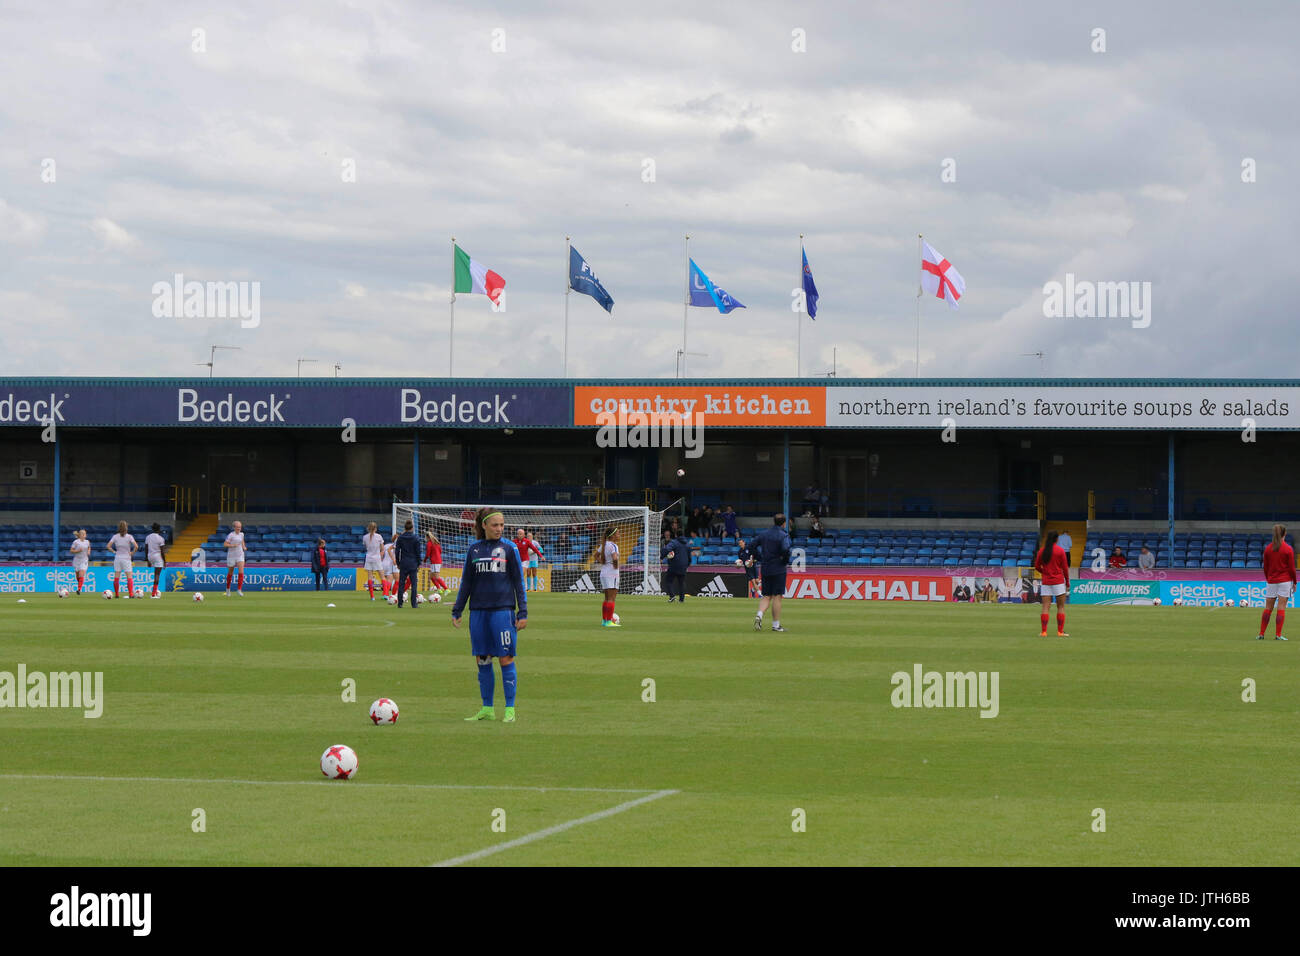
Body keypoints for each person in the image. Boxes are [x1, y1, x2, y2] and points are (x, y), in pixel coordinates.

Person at [451, 507, 527, 722]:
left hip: (503, 612)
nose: (499, 529)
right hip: (478, 613)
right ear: (483, 525)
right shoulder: (474, 550)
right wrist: (458, 609)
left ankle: (510, 710)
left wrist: (523, 612)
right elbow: (466, 581)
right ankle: (487, 708)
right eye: (495, 525)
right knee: (483, 659)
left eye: (502, 525)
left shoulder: (510, 548)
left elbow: (519, 583)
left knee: (505, 658)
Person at [753, 513, 792, 632]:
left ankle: (759, 614)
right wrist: (784, 561)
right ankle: (776, 625)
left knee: (766, 595)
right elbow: (786, 549)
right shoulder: (783, 535)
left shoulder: (764, 534)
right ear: (784, 523)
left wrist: (760, 558)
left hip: (765, 568)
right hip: (778, 568)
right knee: (777, 596)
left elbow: (751, 546)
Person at [1259, 523, 1295, 640]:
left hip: (1271, 581)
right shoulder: (1288, 549)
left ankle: (1261, 634)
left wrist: (1268, 578)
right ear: (1285, 534)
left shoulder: (1268, 548)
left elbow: (1265, 567)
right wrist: (1294, 581)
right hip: (1284, 581)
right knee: (1281, 607)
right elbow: (1291, 568)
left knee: (1268, 608)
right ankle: (1278, 635)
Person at [1034, 530, 1071, 637]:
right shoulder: (1060, 551)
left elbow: (1037, 566)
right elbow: (1065, 568)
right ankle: (1060, 632)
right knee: (1061, 607)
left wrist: (1044, 572)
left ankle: (1044, 632)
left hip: (1046, 582)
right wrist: (1067, 581)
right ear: (1056, 539)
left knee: (1045, 606)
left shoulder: (1041, 551)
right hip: (1058, 581)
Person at [595, 525, 621, 627]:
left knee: (606, 598)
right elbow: (615, 558)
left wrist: (603, 562)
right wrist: (615, 565)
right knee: (612, 599)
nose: (619, 535)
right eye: (618, 533)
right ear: (613, 535)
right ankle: (609, 621)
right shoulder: (614, 546)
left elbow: (595, 555)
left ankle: (604, 621)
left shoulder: (604, 545)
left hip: (604, 572)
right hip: (612, 572)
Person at [105, 521, 137, 599]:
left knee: (117, 577)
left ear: (119, 528)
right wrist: (132, 553)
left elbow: (108, 546)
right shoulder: (129, 537)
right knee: (129, 577)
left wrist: (114, 551)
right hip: (126, 558)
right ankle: (131, 594)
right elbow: (136, 546)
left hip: (118, 558)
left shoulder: (115, 536)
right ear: (126, 528)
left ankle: (117, 594)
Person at [394, 519, 422, 608]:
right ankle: (414, 604)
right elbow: (418, 552)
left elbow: (397, 551)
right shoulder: (416, 538)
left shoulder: (400, 538)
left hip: (404, 563)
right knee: (414, 584)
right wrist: (419, 563)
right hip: (413, 563)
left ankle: (400, 603)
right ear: (412, 528)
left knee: (401, 583)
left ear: (405, 528)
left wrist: (398, 563)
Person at [662, 531, 692, 603]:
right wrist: (687, 565)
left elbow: (667, 549)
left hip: (674, 565)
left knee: (668, 581)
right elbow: (689, 557)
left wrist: (662, 556)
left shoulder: (674, 542)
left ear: (676, 535)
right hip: (683, 566)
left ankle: (672, 596)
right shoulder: (687, 544)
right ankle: (681, 599)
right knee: (681, 583)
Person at [513, 527, 543, 592]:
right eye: (518, 534)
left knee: (523, 574)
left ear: (523, 535)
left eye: (521, 534)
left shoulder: (528, 542)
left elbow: (536, 549)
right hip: (518, 560)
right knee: (525, 574)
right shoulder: (514, 541)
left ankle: (534, 588)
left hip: (526, 560)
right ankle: (526, 588)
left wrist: (541, 556)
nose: (519, 535)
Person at [362, 521, 385, 600]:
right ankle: (385, 594)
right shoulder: (379, 536)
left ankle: (372, 596)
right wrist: (381, 555)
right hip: (377, 557)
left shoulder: (365, 537)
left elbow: (365, 546)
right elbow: (382, 548)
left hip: (369, 558)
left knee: (370, 577)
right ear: (375, 529)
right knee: (382, 576)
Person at [223, 520, 247, 596]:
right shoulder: (231, 535)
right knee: (230, 573)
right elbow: (225, 544)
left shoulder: (242, 534)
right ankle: (228, 589)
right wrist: (233, 545)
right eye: (237, 527)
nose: (239, 528)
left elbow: (242, 541)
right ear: (234, 527)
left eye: (240, 527)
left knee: (241, 572)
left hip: (240, 555)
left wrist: (243, 546)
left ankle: (239, 590)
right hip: (231, 556)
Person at [145, 522, 167, 598]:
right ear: (159, 529)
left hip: (150, 556)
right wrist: (164, 562)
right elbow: (162, 552)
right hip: (157, 556)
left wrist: (148, 560)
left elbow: (146, 549)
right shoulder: (161, 538)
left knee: (155, 574)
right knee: (157, 575)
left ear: (152, 529)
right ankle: (153, 594)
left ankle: (154, 593)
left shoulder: (148, 537)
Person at [69, 529, 90, 595]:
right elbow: (71, 550)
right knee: (78, 576)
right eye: (82, 534)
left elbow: (89, 547)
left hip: (84, 560)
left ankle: (79, 589)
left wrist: (89, 551)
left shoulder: (87, 542)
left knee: (81, 573)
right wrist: (77, 551)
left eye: (85, 534)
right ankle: (79, 585)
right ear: (80, 535)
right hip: (77, 560)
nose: (84, 535)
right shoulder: (76, 542)